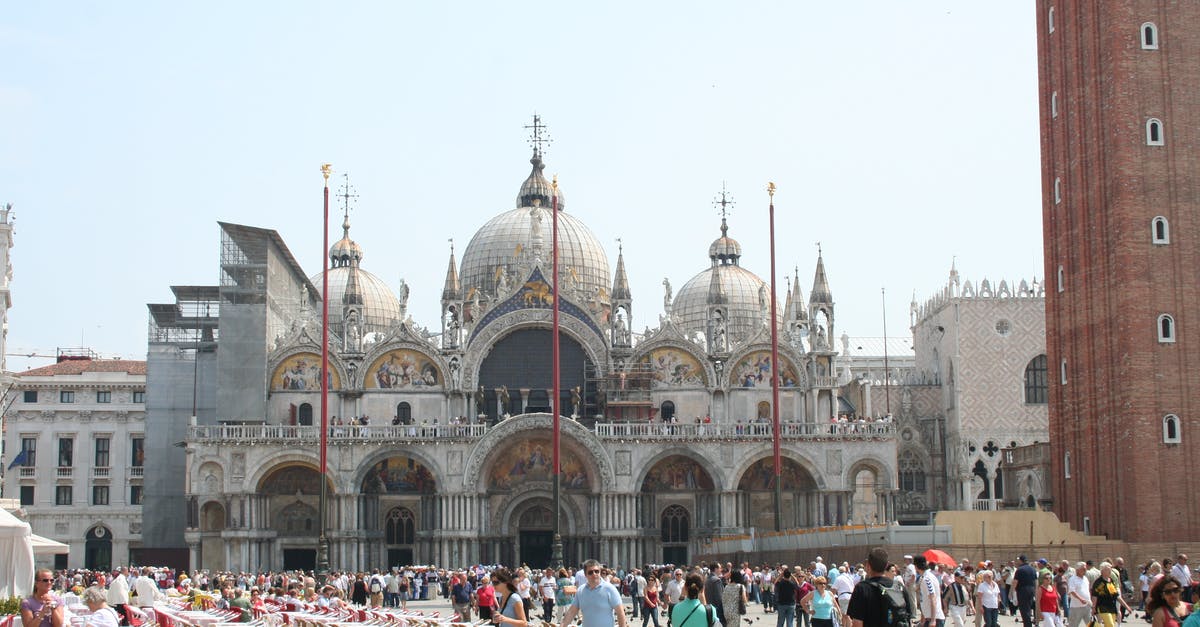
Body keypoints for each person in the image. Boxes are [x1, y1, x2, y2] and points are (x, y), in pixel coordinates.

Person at [562, 559, 629, 627]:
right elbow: (571, 612)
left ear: (600, 572)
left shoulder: (610, 589)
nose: (594, 574)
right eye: (590, 572)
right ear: (585, 574)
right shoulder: (580, 591)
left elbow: (620, 613)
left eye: (596, 571)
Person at [1091, 563, 1130, 627]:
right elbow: (1094, 595)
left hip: (1112, 607)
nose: (1110, 571)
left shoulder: (1110, 581)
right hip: (1102, 607)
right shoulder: (1099, 582)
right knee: (1110, 625)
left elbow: (1116, 595)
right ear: (1102, 571)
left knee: (1110, 625)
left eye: (1110, 570)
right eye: (1108, 570)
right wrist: (1093, 607)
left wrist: (1126, 606)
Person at [915, 556, 945, 627]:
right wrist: (923, 618)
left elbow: (933, 598)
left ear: (916, 566)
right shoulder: (925, 577)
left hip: (934, 619)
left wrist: (933, 620)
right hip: (928, 618)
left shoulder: (927, 579)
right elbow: (924, 599)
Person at [1014, 556, 1040, 627]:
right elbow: (1036, 582)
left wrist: (1012, 592)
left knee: (1024, 610)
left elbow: (1015, 582)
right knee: (1028, 608)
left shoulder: (1019, 570)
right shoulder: (1033, 569)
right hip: (1031, 590)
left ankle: (1028, 625)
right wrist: (1036, 591)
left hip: (1022, 590)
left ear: (1021, 561)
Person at [1064, 563, 1091, 627]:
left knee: (1090, 624)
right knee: (1073, 625)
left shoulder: (1085, 579)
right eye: (1083, 569)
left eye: (1085, 569)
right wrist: (1080, 599)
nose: (1085, 571)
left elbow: (1087, 590)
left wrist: (1090, 601)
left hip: (1087, 605)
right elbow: (1072, 591)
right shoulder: (1072, 579)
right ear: (1077, 570)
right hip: (1076, 607)